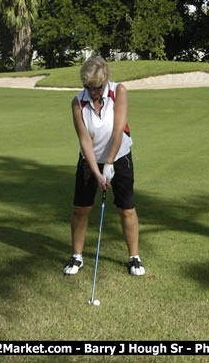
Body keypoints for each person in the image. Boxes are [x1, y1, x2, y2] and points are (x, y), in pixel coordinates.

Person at [63, 56, 145, 276]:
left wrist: (109, 163)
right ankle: (77, 256)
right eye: (88, 87)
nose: (93, 92)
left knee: (126, 209)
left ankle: (134, 257)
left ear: (105, 81)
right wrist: (97, 173)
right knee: (81, 208)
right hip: (89, 161)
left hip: (120, 158)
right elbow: (85, 140)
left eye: (97, 88)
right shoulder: (77, 102)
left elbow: (118, 130)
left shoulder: (119, 92)